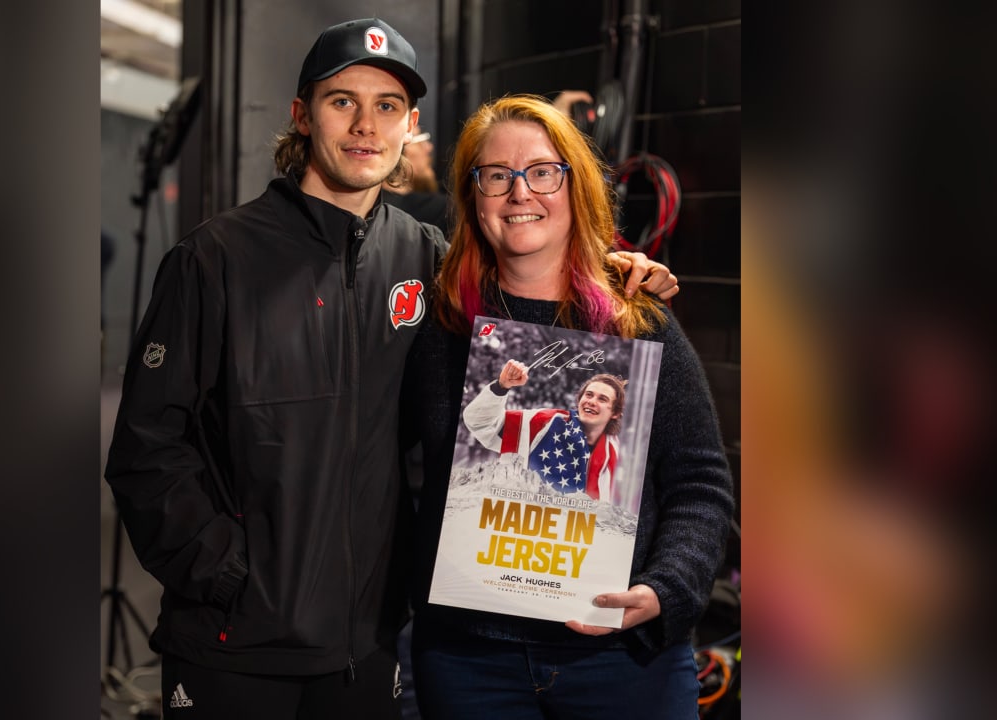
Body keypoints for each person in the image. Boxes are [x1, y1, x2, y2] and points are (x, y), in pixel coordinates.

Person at [106, 17, 680, 718]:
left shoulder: (428, 257)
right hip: (234, 640)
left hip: (370, 641)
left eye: (387, 107)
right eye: (342, 100)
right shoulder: (214, 258)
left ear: (410, 124)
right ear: (302, 115)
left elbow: (528, 310)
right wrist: (224, 574)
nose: (364, 125)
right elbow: (146, 448)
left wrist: (610, 275)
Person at [402, 94, 733, 719]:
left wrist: (666, 589)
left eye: (543, 172)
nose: (519, 192)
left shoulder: (638, 323)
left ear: (574, 186)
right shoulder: (441, 328)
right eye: (496, 176)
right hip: (468, 662)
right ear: (474, 197)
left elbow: (700, 484)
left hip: (622, 661)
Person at [464, 362, 626, 502]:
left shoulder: (618, 455)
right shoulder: (544, 422)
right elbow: (480, 423)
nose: (591, 401)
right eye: (589, 395)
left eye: (602, 399)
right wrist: (501, 387)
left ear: (615, 413)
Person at [382, 127, 449, 231]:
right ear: (400, 150)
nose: (429, 147)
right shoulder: (443, 211)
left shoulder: (366, 209)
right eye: (420, 141)